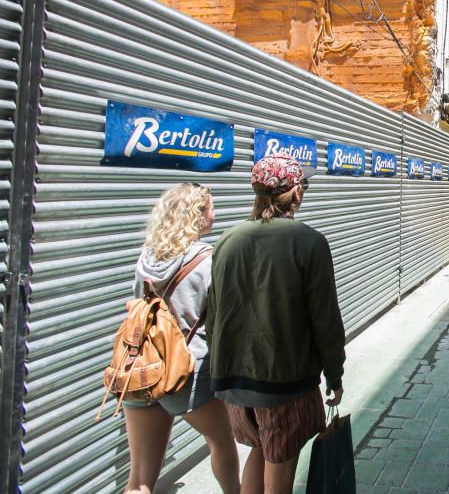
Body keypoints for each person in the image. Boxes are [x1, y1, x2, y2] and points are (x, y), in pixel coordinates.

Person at [206, 154, 346, 494]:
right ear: (295, 194)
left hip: (234, 383)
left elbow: (214, 315)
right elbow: (325, 320)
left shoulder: (226, 241)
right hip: (283, 383)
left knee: (259, 449)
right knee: (280, 473)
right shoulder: (308, 241)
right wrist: (335, 375)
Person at [124, 182, 240, 494]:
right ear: (198, 215)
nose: (215, 215)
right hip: (185, 373)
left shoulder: (146, 257)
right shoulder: (208, 259)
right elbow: (222, 320)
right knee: (221, 442)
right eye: (211, 208)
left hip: (140, 370)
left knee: (139, 480)